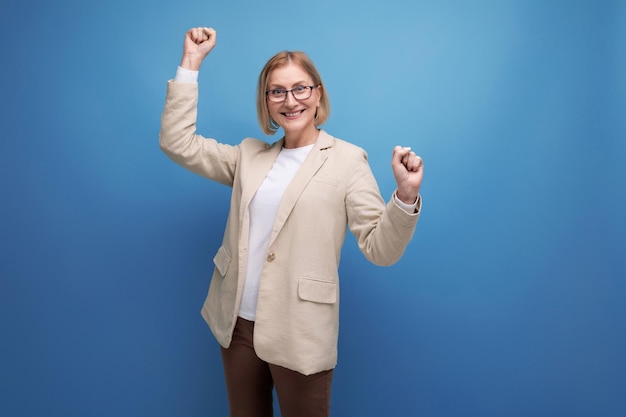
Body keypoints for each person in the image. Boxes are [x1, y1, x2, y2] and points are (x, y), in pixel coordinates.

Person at [160, 26, 424, 417]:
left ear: (318, 94)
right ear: (267, 102)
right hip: (237, 325)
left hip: (299, 329)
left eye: (300, 88)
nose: (290, 100)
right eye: (277, 91)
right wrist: (191, 63)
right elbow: (177, 142)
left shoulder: (348, 161)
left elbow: (379, 249)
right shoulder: (249, 156)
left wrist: (403, 197)